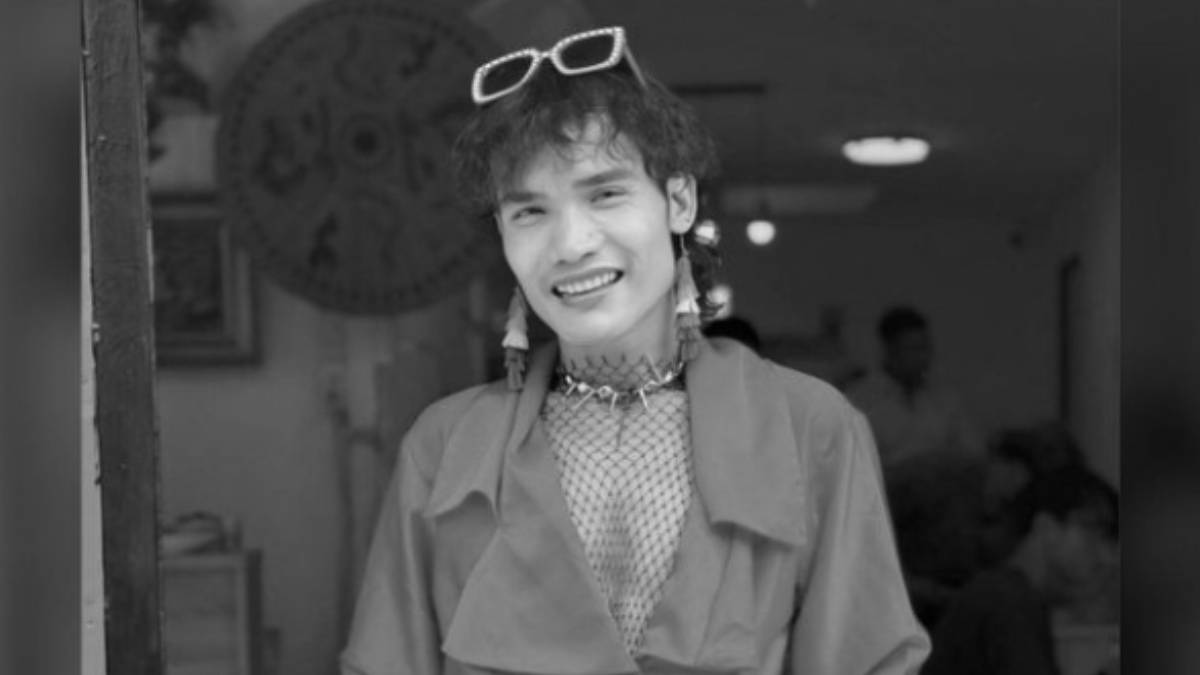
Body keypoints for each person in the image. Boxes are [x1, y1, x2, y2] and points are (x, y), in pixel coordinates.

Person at [341, 26, 928, 675]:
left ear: (678, 200)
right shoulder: (444, 447)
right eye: (529, 212)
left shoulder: (809, 427)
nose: (571, 243)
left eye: (605, 193)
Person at [921, 465, 1119, 675]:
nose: (1107, 557)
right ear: (1046, 527)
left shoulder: (1004, 595)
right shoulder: (1007, 601)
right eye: (1096, 532)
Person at [846, 306, 983, 469]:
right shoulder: (860, 401)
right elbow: (855, 466)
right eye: (914, 349)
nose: (924, 358)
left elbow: (973, 453)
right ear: (890, 351)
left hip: (945, 480)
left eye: (926, 348)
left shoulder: (945, 398)